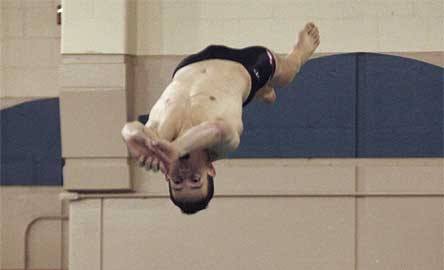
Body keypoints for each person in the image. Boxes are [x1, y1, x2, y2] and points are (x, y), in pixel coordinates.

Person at [121, 23, 320, 214]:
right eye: (196, 179)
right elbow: (216, 129)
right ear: (210, 170)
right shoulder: (225, 145)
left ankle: (262, 93)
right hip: (248, 66)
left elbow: (130, 128)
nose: (185, 176)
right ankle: (298, 53)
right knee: (286, 74)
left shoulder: (159, 138)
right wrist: (177, 148)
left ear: (167, 175)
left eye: (178, 183)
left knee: (256, 92)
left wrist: (132, 139)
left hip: (191, 65)